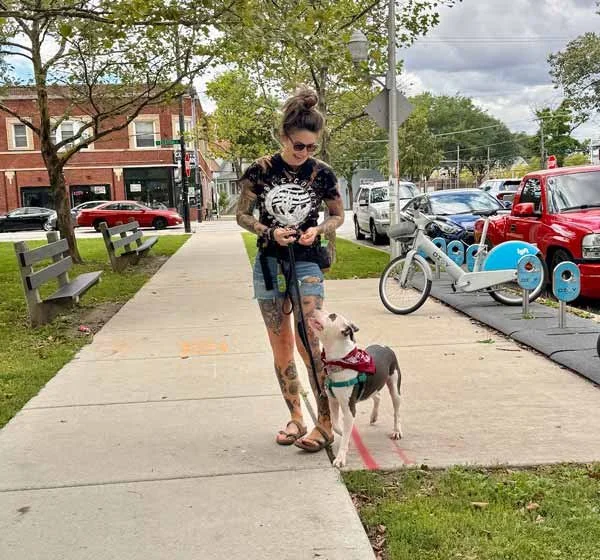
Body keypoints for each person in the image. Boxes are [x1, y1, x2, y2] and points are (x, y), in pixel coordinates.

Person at [236, 85, 344, 452]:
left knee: (311, 340)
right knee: (280, 343)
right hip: (269, 262)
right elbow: (240, 214)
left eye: (312, 147)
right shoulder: (260, 170)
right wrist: (267, 230)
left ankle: (326, 422)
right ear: (284, 137)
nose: (305, 153)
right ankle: (297, 418)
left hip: (307, 262)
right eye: (299, 146)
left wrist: (319, 230)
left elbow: (337, 215)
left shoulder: (323, 173)